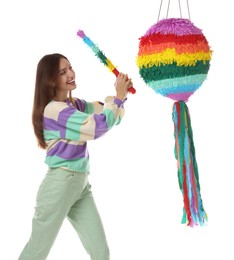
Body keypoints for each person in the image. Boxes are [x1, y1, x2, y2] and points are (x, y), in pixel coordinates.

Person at [18, 53, 132, 260]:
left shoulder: (74, 105)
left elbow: (106, 112)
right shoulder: (54, 110)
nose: (71, 74)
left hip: (80, 185)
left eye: (70, 68)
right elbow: (99, 126)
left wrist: (120, 97)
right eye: (62, 72)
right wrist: (118, 98)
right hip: (59, 185)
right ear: (51, 80)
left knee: (101, 252)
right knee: (36, 253)